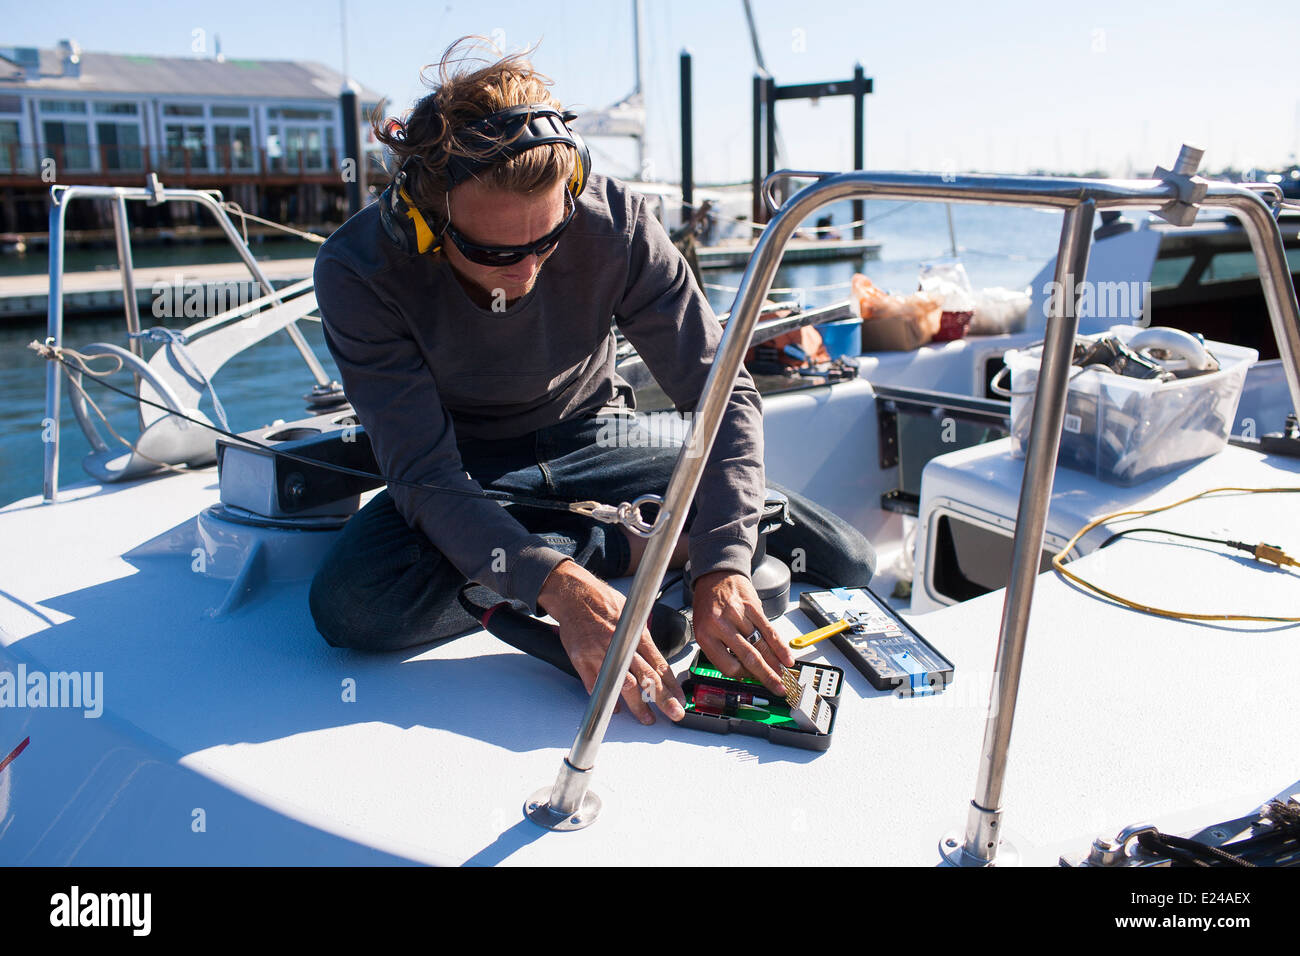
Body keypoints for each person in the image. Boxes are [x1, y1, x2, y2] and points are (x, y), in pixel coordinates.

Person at [308, 37, 875, 726]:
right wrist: (559, 586)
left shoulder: (619, 223)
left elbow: (720, 396)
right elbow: (424, 474)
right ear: (425, 223)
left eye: (547, 240)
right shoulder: (358, 269)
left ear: (571, 194)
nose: (526, 273)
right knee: (355, 604)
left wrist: (724, 561)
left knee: (847, 561)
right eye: (495, 251)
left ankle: (641, 535)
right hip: (469, 467)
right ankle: (632, 539)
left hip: (603, 439)